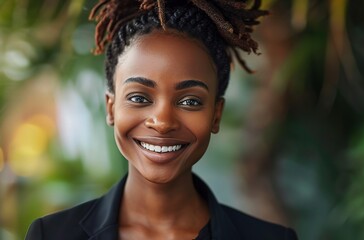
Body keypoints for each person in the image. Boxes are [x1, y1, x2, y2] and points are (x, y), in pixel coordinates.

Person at [25, 0, 298, 239]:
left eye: (190, 101)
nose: (163, 121)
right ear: (110, 108)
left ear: (216, 115)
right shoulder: (50, 235)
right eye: (139, 98)